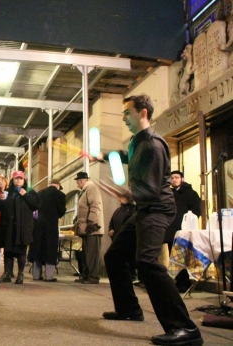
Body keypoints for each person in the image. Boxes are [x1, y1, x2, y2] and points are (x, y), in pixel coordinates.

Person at [100, 94, 202, 345]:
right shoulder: (138, 142)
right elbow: (129, 154)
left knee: (147, 263)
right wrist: (106, 156)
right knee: (114, 256)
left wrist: (127, 193)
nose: (123, 117)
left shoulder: (154, 145)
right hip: (144, 210)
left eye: (127, 112)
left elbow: (155, 189)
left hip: (157, 208)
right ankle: (129, 310)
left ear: (142, 113)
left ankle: (185, 328)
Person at [0, 171, 40, 285]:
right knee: (8, 251)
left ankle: (20, 274)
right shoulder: (8, 192)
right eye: (16, 178)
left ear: (24, 180)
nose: (18, 180)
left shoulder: (30, 192)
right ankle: (7, 274)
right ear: (12, 180)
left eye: (20, 178)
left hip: (22, 228)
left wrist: (25, 195)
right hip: (8, 227)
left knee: (21, 252)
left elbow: (36, 205)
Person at [165, 170, 201, 293]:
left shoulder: (190, 193)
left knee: (184, 256)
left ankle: (185, 282)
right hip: (170, 230)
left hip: (183, 230)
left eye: (176, 177)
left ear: (182, 179)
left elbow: (196, 210)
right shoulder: (168, 193)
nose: (174, 179)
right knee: (174, 257)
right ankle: (179, 281)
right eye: (172, 177)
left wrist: (189, 223)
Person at [28, 179, 66, 282]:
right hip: (51, 226)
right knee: (50, 249)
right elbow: (61, 211)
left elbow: (34, 209)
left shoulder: (40, 193)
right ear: (58, 186)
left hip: (38, 225)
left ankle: (36, 275)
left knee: (38, 249)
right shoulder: (60, 195)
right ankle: (49, 276)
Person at [73, 171, 104, 284]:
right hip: (87, 228)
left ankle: (93, 277)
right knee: (86, 253)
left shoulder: (91, 188)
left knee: (92, 254)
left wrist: (91, 221)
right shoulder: (86, 190)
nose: (77, 184)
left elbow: (95, 205)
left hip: (92, 228)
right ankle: (86, 275)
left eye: (77, 182)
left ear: (81, 181)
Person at [108, 194, 137, 282]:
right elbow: (112, 222)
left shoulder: (133, 209)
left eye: (122, 197)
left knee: (130, 257)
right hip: (117, 235)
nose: (119, 199)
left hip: (129, 237)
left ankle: (132, 275)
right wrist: (111, 229)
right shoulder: (118, 210)